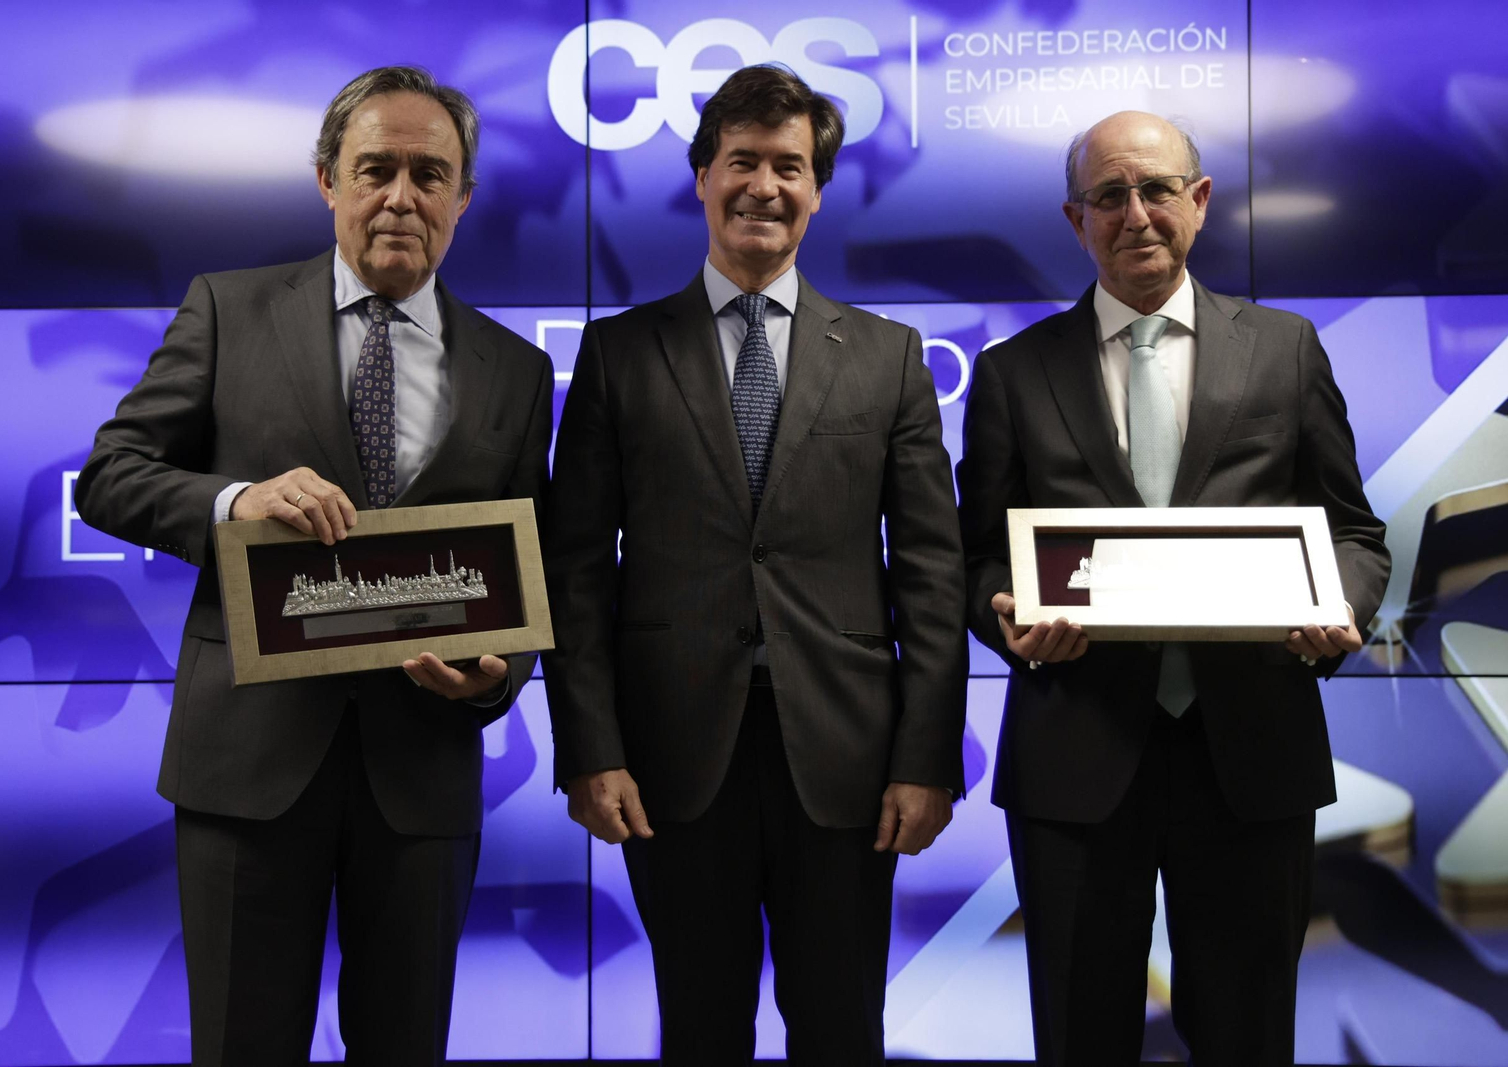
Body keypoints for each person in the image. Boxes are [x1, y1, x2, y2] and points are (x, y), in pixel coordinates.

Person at [74, 66, 552, 1066]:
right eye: (375, 167)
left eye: (430, 174)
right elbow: (110, 476)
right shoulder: (227, 311)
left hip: (420, 777)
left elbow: (528, 567)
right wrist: (231, 502)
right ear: (326, 177)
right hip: (245, 768)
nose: (401, 195)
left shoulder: (519, 367)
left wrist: (499, 675)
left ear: (462, 198)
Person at [543, 64, 968, 1066]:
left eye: (790, 165)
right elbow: (574, 570)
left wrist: (925, 758)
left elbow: (932, 576)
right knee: (698, 1026)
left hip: (850, 764)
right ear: (702, 177)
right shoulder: (617, 354)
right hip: (668, 759)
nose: (764, 186)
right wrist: (587, 746)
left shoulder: (890, 356)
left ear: (817, 188)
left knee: (839, 1030)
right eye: (742, 161)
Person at [957, 110, 1390, 1066]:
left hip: (1252, 753)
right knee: (1079, 1034)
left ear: (1198, 202)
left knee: (1246, 1035)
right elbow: (976, 556)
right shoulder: (1012, 373)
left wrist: (1340, 605)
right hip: (1076, 756)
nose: (1136, 213)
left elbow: (1354, 533)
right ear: (1078, 220)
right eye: (1109, 196)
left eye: (1156, 190)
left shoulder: (1286, 349)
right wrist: (1004, 614)